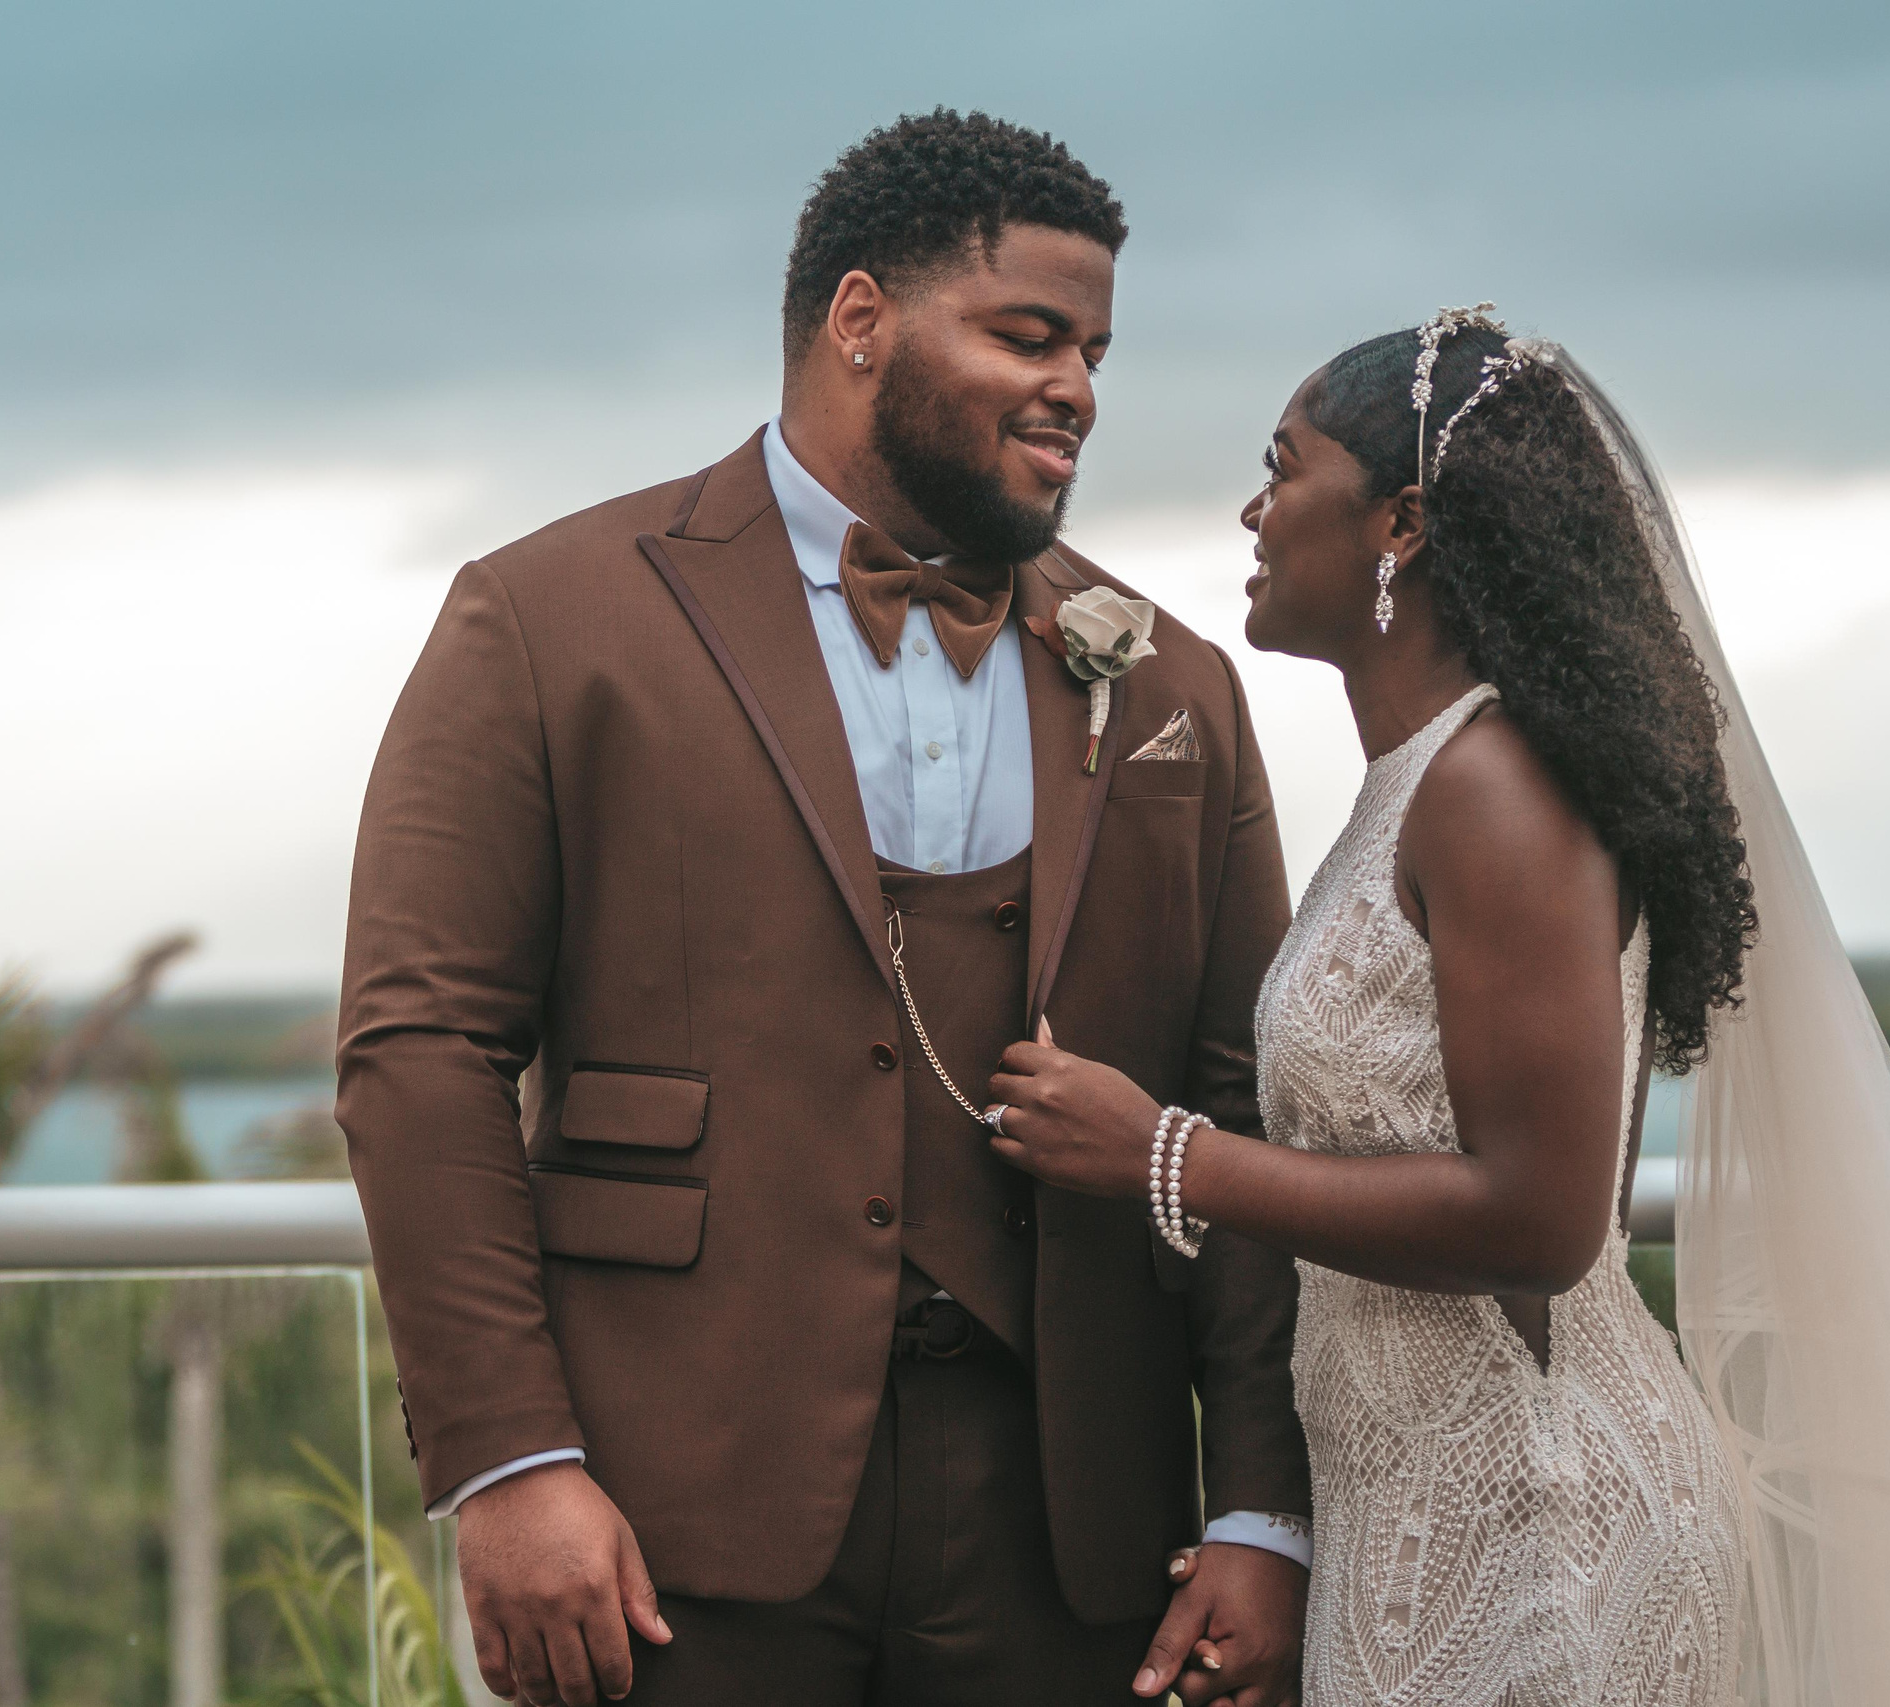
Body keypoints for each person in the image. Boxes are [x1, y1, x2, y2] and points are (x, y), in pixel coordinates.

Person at [984, 310, 1890, 1706]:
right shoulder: (1418, 780)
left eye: (1281, 466)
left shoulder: (1492, 789)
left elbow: (1542, 1220)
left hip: (1544, 1530)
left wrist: (1164, 1154)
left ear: (1402, 521)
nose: (1252, 506)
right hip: (1426, 1509)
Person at [336, 110, 1310, 1707]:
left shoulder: (1170, 683)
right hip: (667, 1523)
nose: (1078, 386)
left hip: (1074, 1537)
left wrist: (1264, 1506)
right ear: (860, 322)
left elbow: (1237, 1098)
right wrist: (511, 1460)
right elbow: (421, 1050)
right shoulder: (546, 619)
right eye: (1030, 334)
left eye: (1097, 350)